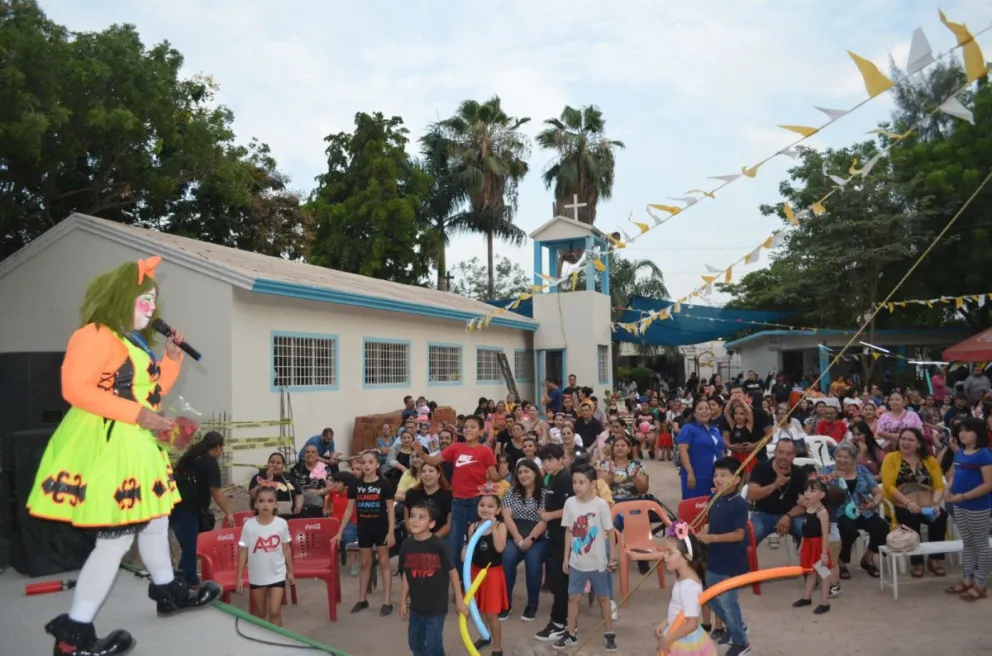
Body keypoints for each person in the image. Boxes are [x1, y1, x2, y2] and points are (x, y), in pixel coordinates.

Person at [24, 256, 220, 655]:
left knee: (154, 520)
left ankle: (167, 591)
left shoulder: (131, 341)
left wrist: (172, 357)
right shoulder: (95, 334)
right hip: (113, 443)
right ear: (119, 297)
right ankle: (72, 637)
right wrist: (140, 415)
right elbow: (76, 389)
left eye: (153, 300)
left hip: (136, 442)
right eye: (143, 299)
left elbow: (152, 393)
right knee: (115, 540)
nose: (150, 307)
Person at [417, 415, 499, 576]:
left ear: (481, 431)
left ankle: (475, 578)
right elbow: (433, 462)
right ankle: (459, 580)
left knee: (476, 541)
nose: (468, 429)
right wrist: (420, 452)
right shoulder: (455, 448)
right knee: (455, 543)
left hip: (477, 503)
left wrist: (505, 472)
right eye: (466, 426)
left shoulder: (485, 451)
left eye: (473, 427)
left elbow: (494, 476)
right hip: (458, 502)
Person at [556, 465, 617, 652]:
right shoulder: (569, 504)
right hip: (577, 562)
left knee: (603, 599)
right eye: (574, 482)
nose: (577, 486)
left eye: (581, 482)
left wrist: (612, 558)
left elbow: (610, 532)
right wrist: (566, 556)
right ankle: (571, 633)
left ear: (592, 483)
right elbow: (568, 530)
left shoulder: (600, 505)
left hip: (598, 562)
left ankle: (609, 633)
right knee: (573, 598)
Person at [695, 458, 751, 656]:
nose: (718, 479)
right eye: (716, 475)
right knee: (710, 597)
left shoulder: (739, 504)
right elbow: (713, 523)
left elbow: (739, 534)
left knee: (728, 602)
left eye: (724, 475)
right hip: (714, 559)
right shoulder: (714, 498)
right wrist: (704, 531)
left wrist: (712, 537)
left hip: (732, 562)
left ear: (736, 480)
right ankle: (736, 627)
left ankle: (742, 644)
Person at [399, 503, 469, 656]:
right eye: (412, 516)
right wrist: (403, 601)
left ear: (431, 524)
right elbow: (406, 574)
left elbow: (453, 572)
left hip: (436, 609)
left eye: (421, 517)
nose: (415, 521)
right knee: (414, 642)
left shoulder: (439, 545)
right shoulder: (406, 546)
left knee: (433, 646)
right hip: (416, 607)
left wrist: (459, 600)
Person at [881, 427, 948, 577]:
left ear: (918, 444)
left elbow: (938, 486)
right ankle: (917, 562)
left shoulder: (929, 460)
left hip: (927, 504)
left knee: (940, 517)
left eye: (910, 440)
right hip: (902, 503)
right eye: (903, 439)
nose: (905, 442)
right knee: (910, 519)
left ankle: (934, 559)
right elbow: (888, 486)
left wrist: (936, 503)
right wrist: (907, 503)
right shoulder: (891, 458)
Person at [337, 451, 396, 615]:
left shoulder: (384, 484)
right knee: (365, 563)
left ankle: (387, 601)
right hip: (364, 530)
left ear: (377, 465)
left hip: (381, 529)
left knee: (384, 562)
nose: (367, 465)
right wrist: (340, 531)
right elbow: (349, 510)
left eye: (371, 462)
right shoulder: (356, 485)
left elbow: (390, 509)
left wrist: (391, 532)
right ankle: (362, 599)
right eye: (364, 463)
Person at [172, 431, 234, 585]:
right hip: (188, 510)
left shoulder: (191, 456)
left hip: (174, 507)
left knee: (188, 548)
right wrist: (229, 513)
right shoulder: (209, 462)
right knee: (190, 550)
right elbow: (216, 492)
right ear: (219, 447)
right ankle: (182, 585)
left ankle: (191, 580)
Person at [944, 416, 992, 601]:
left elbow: (988, 484)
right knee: (968, 543)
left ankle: (981, 583)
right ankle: (967, 578)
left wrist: (963, 496)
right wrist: (948, 488)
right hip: (959, 504)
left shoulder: (984, 455)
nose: (963, 433)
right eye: (961, 429)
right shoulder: (961, 453)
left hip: (977, 506)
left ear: (978, 434)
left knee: (981, 543)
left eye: (968, 430)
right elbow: (955, 475)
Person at [235, 487, 294, 626]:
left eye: (270, 501)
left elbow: (286, 548)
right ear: (256, 504)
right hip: (257, 575)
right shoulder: (248, 525)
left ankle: (278, 639)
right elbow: (243, 550)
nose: (265, 504)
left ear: (275, 504)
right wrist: (238, 577)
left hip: (277, 573)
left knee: (274, 611)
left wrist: (290, 571)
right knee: (260, 613)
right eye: (261, 501)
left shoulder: (282, 524)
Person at [656, 524, 717, 655]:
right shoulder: (683, 578)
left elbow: (692, 624)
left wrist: (668, 639)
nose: (664, 556)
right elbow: (680, 609)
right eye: (665, 551)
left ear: (687, 557)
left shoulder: (688, 586)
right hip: (677, 630)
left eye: (670, 552)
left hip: (683, 638)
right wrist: (666, 622)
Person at [534, 443, 573, 643]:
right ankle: (559, 621)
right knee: (557, 580)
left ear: (561, 459)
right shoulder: (551, 477)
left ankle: (559, 624)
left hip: (564, 537)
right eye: (543, 460)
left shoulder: (565, 479)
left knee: (561, 581)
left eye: (550, 460)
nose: (546, 464)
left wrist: (548, 515)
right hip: (554, 535)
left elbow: (571, 508)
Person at [500, 458, 547, 622]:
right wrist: (517, 537)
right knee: (507, 556)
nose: (523, 475)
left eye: (527, 471)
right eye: (520, 472)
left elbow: (544, 520)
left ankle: (532, 604)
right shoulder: (511, 492)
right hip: (515, 534)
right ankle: (505, 603)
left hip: (538, 537)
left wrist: (530, 539)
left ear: (535, 472)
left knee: (533, 560)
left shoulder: (544, 493)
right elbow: (506, 516)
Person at [467, 488, 509, 655]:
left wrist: (492, 525)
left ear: (498, 510)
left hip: (492, 575)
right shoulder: (473, 526)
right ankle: (485, 636)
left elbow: (499, 548)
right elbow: (469, 552)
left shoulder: (501, 526)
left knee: (492, 614)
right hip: (475, 573)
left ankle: (497, 648)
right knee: (480, 610)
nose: (485, 509)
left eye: (491, 506)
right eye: (482, 504)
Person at [746, 439, 807, 548]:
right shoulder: (761, 468)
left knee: (808, 531)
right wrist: (774, 486)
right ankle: (747, 564)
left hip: (790, 515)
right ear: (775, 452)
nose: (784, 456)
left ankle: (807, 562)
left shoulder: (800, 474)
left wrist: (788, 516)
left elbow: (803, 505)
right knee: (750, 536)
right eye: (781, 452)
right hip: (764, 513)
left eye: (789, 453)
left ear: (794, 455)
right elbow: (751, 495)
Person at [792, 478, 834, 614]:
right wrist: (802, 543)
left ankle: (825, 602)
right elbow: (804, 528)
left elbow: (825, 533)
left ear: (822, 495)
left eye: (812, 490)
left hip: (818, 545)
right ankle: (807, 597)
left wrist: (824, 553)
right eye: (806, 490)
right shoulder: (806, 510)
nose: (807, 493)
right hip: (808, 544)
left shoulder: (822, 512)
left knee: (823, 574)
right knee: (810, 572)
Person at [677, 399, 725, 500]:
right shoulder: (688, 428)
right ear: (694, 413)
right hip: (697, 475)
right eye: (700, 409)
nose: (704, 411)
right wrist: (690, 473)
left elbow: (721, 450)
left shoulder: (715, 429)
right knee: (695, 505)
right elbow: (682, 451)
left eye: (707, 408)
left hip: (716, 477)